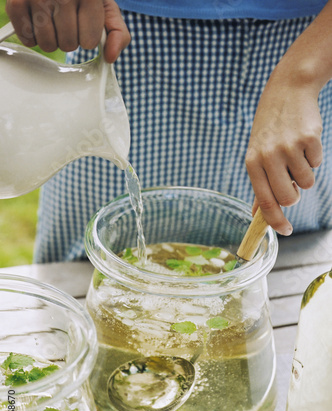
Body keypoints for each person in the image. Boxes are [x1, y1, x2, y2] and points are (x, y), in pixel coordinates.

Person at [6, 0, 332, 262]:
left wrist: (301, 77)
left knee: (291, 261)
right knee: (89, 264)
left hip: (311, 46)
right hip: (127, 39)